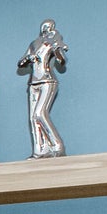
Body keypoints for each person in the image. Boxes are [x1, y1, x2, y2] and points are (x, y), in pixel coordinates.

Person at [17, 19, 68, 157]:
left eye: (48, 27)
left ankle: (57, 146)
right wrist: (29, 58)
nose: (45, 29)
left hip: (47, 80)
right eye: (44, 27)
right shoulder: (34, 43)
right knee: (33, 118)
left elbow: (62, 61)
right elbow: (21, 63)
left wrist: (56, 48)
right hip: (33, 82)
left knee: (40, 113)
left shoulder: (54, 41)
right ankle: (40, 150)